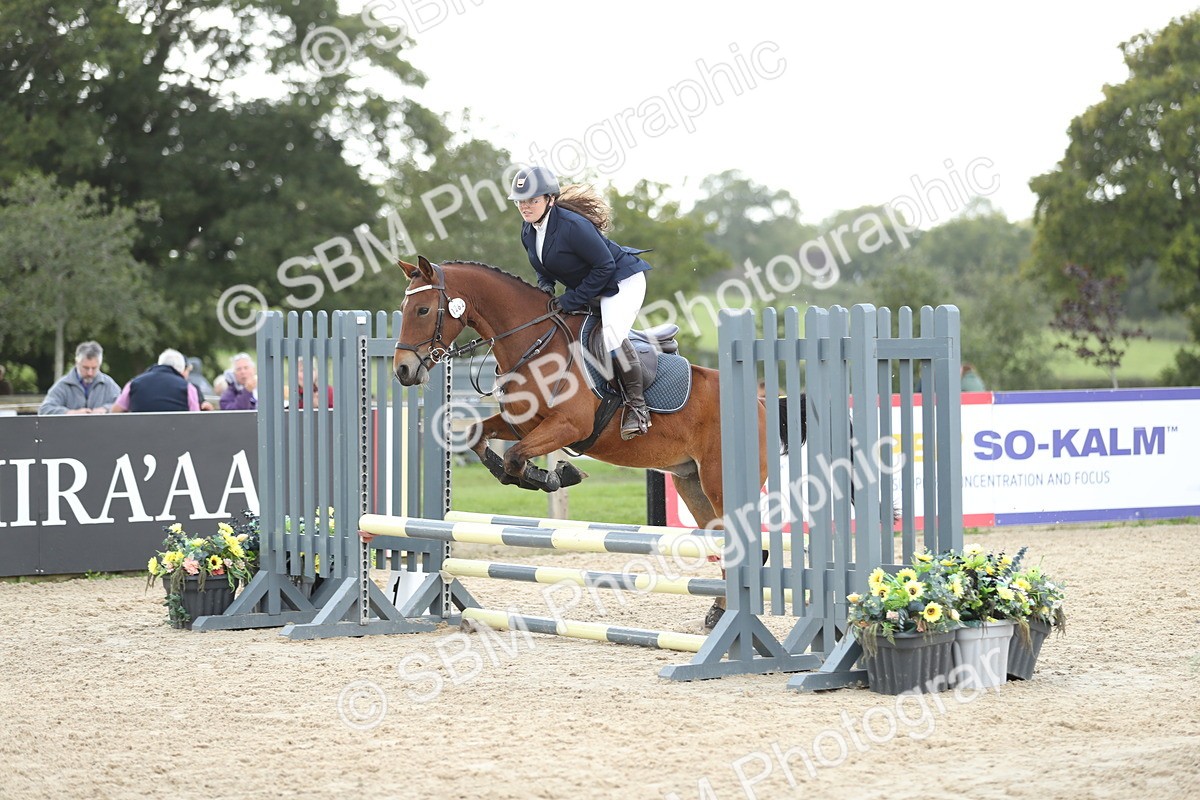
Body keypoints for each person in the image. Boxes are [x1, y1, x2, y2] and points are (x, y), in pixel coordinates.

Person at [508, 165, 653, 439]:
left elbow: (605, 266)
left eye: (532, 200)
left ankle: (637, 407)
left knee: (610, 338)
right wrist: (545, 288)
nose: (525, 207)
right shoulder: (529, 231)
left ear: (550, 199)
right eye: (520, 201)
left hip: (621, 282)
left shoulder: (573, 226)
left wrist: (572, 298)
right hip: (592, 286)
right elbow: (542, 266)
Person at [110, 349, 214, 412]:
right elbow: (195, 419)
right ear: (181, 369)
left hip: (139, 443)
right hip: (177, 443)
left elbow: (115, 411)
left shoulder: (133, 384)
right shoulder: (188, 388)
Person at [38, 341, 121, 415]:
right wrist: (71, 413)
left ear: (100, 364)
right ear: (77, 362)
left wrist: (105, 409)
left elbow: (124, 405)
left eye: (94, 368)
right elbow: (44, 409)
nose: (90, 373)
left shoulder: (108, 384)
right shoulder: (63, 385)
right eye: (85, 368)